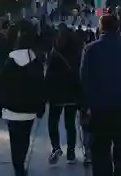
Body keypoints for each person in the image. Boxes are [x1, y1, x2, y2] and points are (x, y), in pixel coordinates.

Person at [81, 14, 121, 176]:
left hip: (99, 111)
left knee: (100, 155)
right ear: (118, 28)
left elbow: (84, 80)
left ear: (100, 27)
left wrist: (85, 108)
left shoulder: (90, 49)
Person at [0, 20, 46, 176]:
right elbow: (40, 87)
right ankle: (21, 161)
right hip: (29, 109)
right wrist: (41, 107)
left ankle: (17, 165)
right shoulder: (36, 62)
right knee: (25, 138)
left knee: (14, 138)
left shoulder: (10, 62)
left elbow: (2, 85)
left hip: (11, 108)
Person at [45, 25, 82, 165]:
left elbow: (48, 75)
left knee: (53, 122)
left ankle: (56, 147)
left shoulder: (55, 52)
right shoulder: (76, 53)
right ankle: (71, 153)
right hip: (72, 94)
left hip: (56, 95)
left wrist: (46, 93)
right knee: (70, 124)